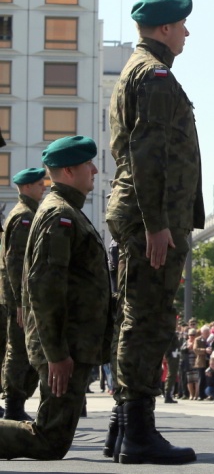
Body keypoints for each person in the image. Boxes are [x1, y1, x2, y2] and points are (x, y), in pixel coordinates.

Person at [105, 0, 203, 465]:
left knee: (138, 316)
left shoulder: (136, 70)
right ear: (164, 28)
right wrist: (157, 224)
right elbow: (146, 153)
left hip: (143, 214)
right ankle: (138, 433)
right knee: (147, 320)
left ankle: (123, 429)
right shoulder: (156, 75)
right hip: (152, 218)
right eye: (182, 24)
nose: (187, 32)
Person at [0, 136, 112, 460]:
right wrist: (57, 354)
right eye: (87, 164)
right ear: (68, 170)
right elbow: (44, 286)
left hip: (71, 344)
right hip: (65, 347)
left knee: (53, 439)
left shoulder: (67, 211)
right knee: (49, 440)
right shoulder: (59, 214)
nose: (93, 169)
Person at [1, 167, 46, 421]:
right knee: (18, 349)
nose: (44, 188)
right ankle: (13, 407)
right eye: (40, 184)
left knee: (22, 349)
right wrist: (20, 302)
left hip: (21, 298)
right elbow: (15, 263)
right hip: (18, 299)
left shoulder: (27, 213)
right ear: (27, 187)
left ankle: (15, 405)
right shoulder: (24, 217)